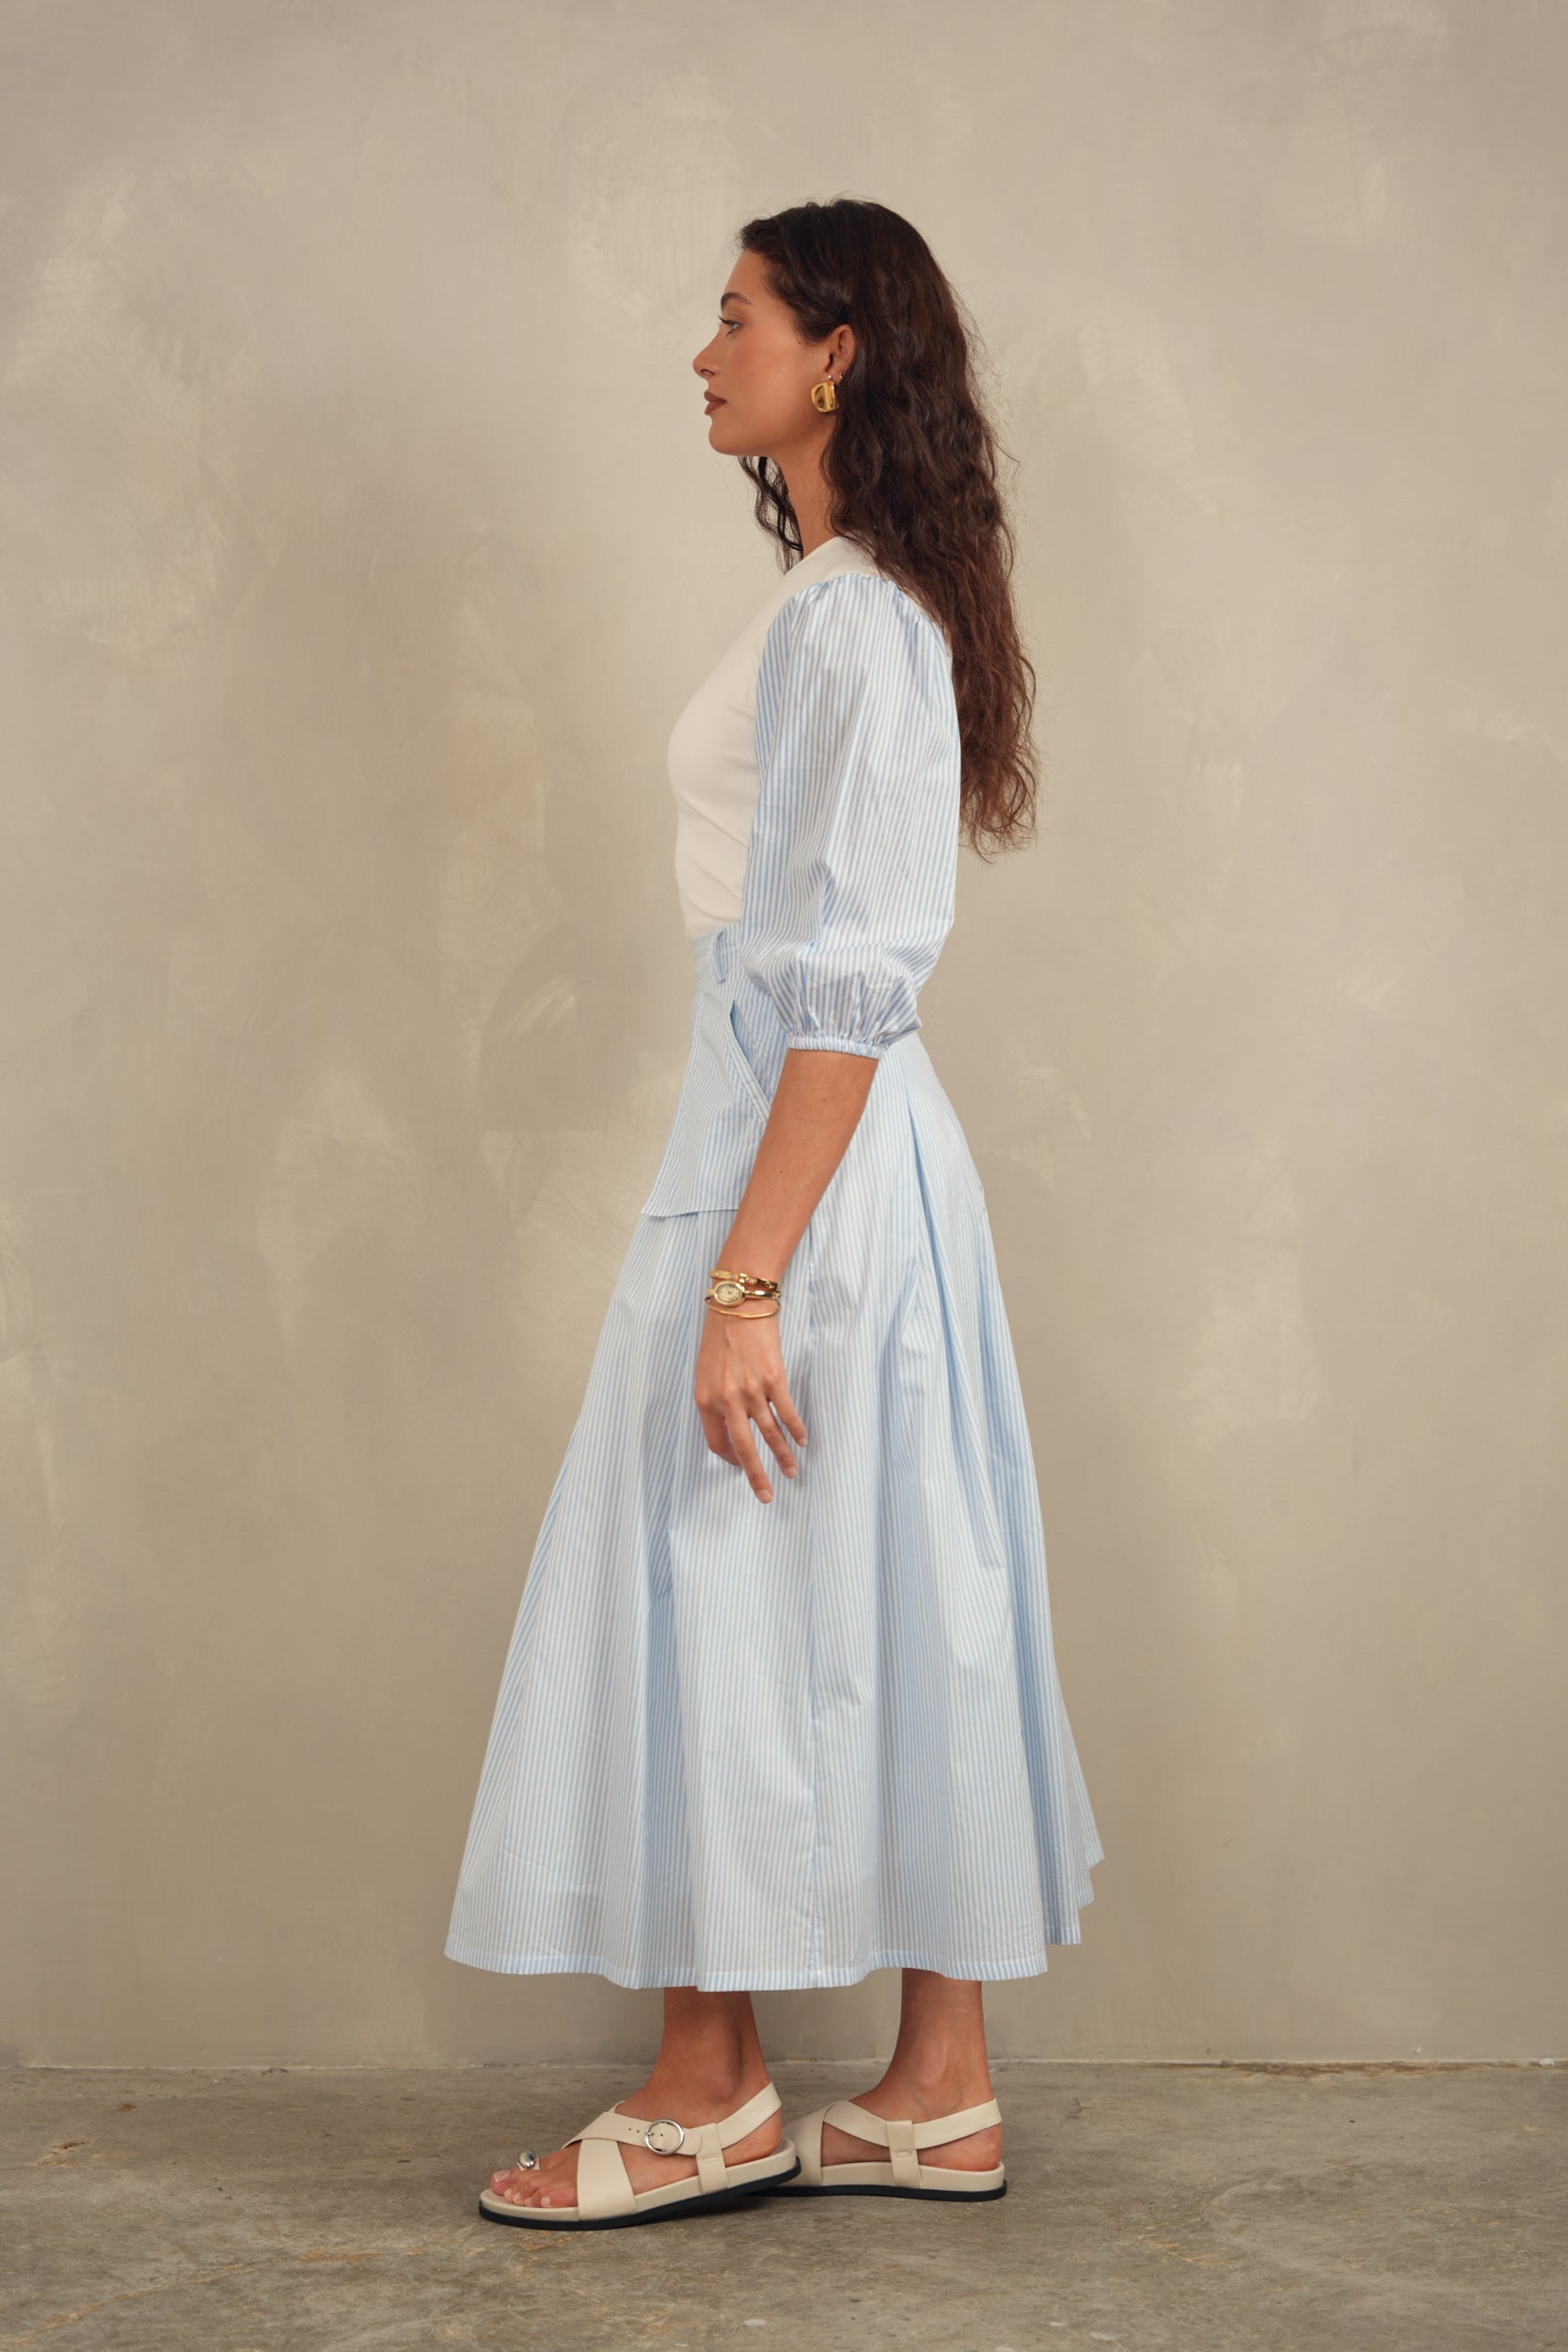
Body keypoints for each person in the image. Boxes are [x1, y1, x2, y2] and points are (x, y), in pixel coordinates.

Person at [444, 197, 1104, 2231]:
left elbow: (845, 978)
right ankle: (936, 2089)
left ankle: (710, 2087)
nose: (702, 348)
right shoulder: (855, 602)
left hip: (803, 1160)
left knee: (720, 1567)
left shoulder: (850, 621)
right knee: (895, 1560)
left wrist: (746, 1274)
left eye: (734, 315)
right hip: (832, 1149)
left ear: (835, 353)